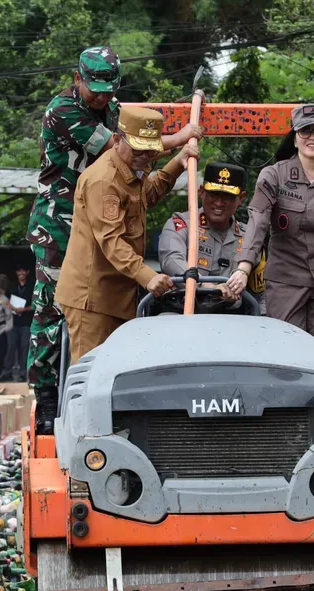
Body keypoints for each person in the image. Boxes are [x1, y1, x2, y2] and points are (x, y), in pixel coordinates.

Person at [27, 45, 200, 434]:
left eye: (109, 89)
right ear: (77, 80)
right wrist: (179, 139)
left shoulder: (119, 133)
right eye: (95, 90)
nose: (103, 97)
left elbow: (145, 187)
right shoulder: (67, 112)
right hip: (59, 223)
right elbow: (118, 149)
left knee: (108, 365)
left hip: (103, 248)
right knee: (53, 319)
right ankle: (46, 402)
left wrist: (176, 159)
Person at [57, 107, 201, 363]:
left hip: (117, 295)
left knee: (115, 372)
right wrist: (148, 277)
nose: (144, 157)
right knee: (91, 374)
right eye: (137, 149)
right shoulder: (104, 181)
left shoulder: (131, 170)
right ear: (116, 139)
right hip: (93, 299)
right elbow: (111, 241)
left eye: (149, 150)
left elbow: (148, 195)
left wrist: (177, 163)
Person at [230, 104, 314, 357]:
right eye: (305, 131)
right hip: (286, 280)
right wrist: (243, 267)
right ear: (294, 138)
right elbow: (258, 222)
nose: (313, 137)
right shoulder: (273, 177)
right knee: (286, 353)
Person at [158, 162, 266, 309]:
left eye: (227, 196)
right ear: (201, 191)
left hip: (233, 319)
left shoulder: (249, 238)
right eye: (213, 194)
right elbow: (171, 259)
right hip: (181, 312)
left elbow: (260, 296)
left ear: (241, 198)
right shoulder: (181, 224)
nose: (219, 202)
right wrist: (204, 284)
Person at [3, 264, 34, 382]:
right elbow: (5, 300)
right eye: (19, 271)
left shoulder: (32, 286)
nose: (21, 273)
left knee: (24, 348)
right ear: (16, 273)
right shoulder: (11, 285)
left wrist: (24, 309)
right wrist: (13, 307)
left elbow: (36, 304)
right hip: (12, 321)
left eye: (23, 271)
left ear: (27, 272)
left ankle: (22, 373)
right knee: (10, 347)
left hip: (26, 322)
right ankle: (8, 372)